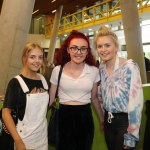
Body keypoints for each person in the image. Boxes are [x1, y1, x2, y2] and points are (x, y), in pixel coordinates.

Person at [50, 30, 104, 150]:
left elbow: (94, 98)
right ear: (68, 50)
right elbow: (51, 99)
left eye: (83, 48)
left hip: (85, 117)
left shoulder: (94, 71)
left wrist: (101, 118)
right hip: (63, 117)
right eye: (74, 48)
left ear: (87, 51)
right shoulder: (57, 70)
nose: (78, 52)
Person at [94, 26, 143, 150]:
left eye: (107, 45)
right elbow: (102, 96)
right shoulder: (101, 68)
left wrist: (132, 135)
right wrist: (103, 118)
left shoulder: (130, 67)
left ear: (116, 46)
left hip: (125, 123)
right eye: (100, 46)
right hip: (108, 122)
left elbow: (136, 103)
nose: (103, 50)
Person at [1, 43, 49, 150]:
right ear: (24, 59)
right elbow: (5, 113)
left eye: (40, 57)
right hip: (24, 138)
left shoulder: (43, 80)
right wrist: (18, 141)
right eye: (32, 57)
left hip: (41, 137)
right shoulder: (15, 83)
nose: (37, 61)